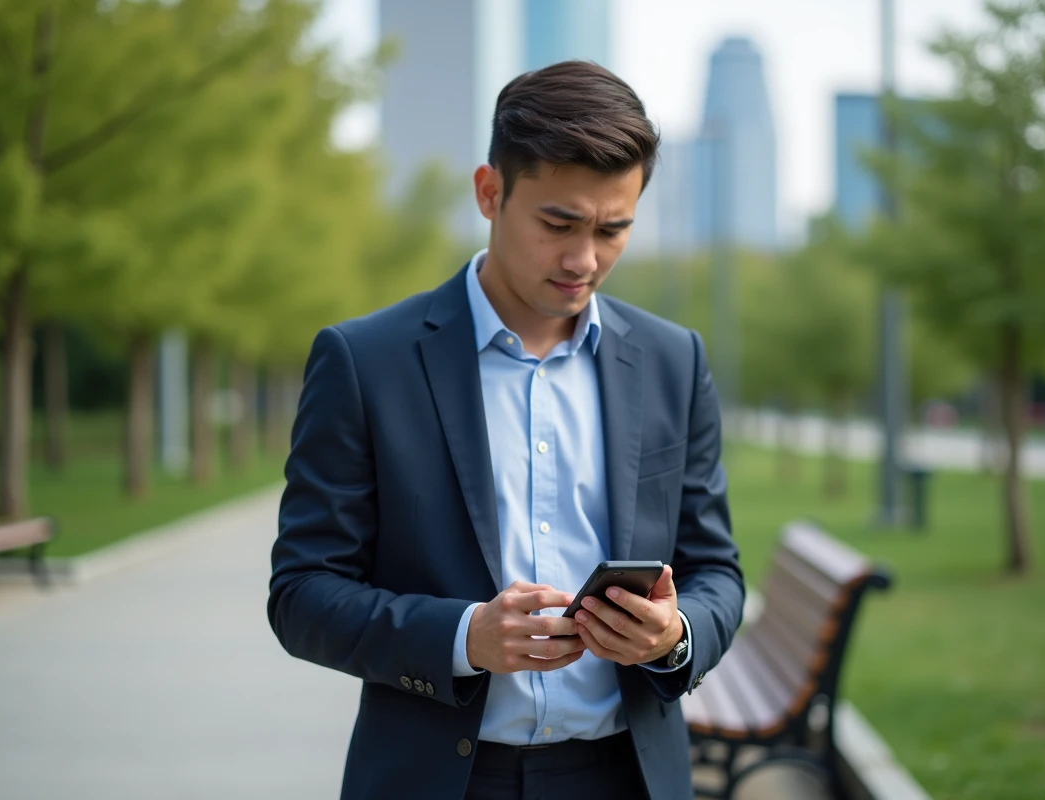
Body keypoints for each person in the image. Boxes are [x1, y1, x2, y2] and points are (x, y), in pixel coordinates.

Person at [268, 60, 744, 800]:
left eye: (613, 229)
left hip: (629, 777)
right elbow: (301, 594)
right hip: (441, 780)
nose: (584, 259)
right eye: (558, 223)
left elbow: (716, 571)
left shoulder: (671, 361)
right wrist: (464, 638)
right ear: (490, 193)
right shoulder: (366, 362)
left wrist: (673, 637)